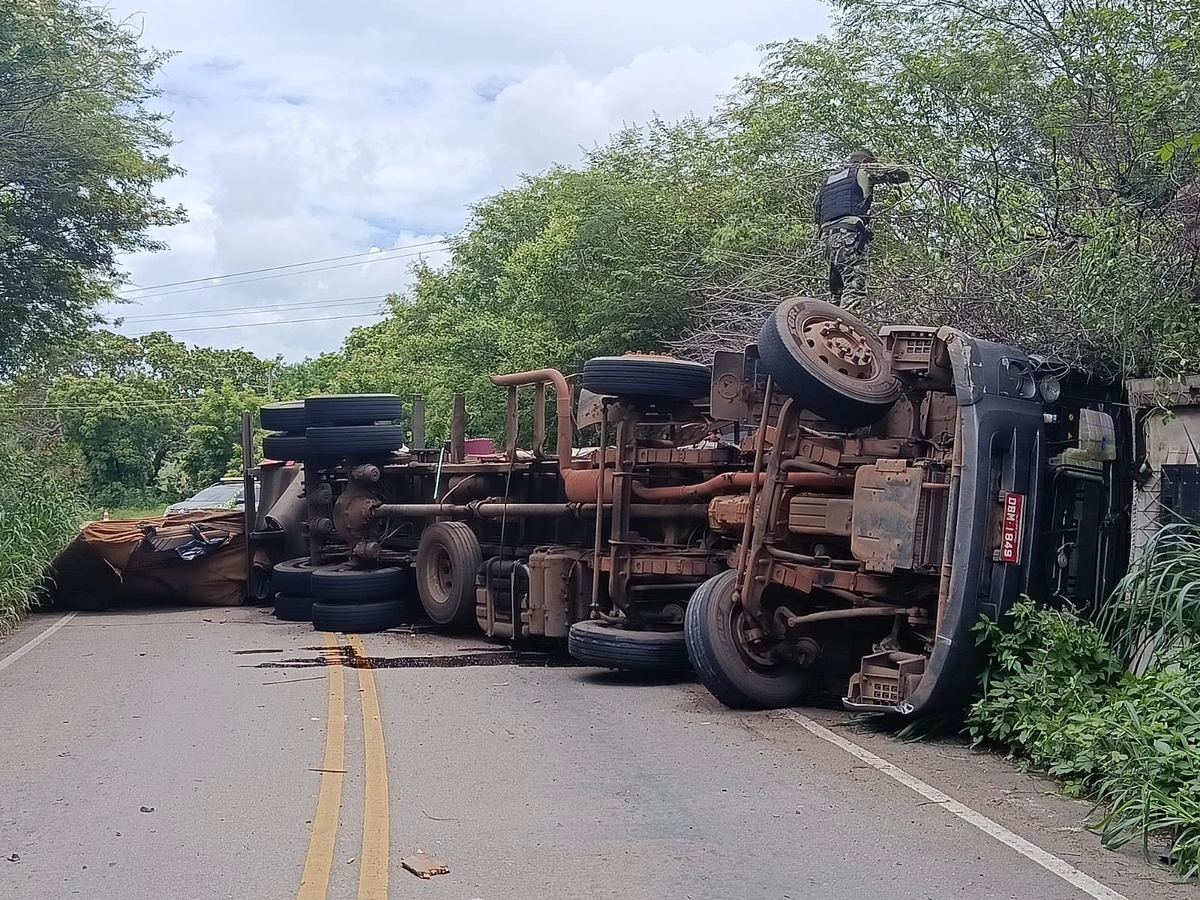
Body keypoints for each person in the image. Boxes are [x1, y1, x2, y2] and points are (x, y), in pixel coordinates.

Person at [814, 150, 910, 311]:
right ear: (866, 161)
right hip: (848, 235)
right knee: (854, 291)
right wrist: (885, 165)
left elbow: (817, 211)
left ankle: (828, 328)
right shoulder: (863, 170)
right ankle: (844, 331)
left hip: (826, 239)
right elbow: (901, 175)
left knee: (837, 294)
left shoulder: (827, 180)